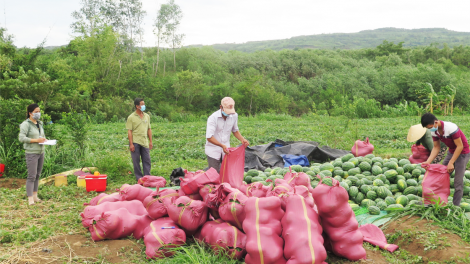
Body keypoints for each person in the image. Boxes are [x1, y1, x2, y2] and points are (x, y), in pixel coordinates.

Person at [421, 113, 470, 206]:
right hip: (451, 152)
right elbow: (436, 147)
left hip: (463, 153)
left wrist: (451, 162)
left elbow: (460, 146)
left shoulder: (450, 128)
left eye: (430, 127)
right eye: (428, 128)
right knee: (441, 176)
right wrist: (428, 161)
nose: (430, 129)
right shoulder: (434, 131)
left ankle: (456, 207)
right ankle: (437, 202)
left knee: (458, 182)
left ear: (436, 122)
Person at [205, 97, 249, 173]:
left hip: (226, 149)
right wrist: (221, 145)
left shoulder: (234, 115)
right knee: (214, 174)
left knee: (226, 172)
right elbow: (209, 137)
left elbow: (235, 130)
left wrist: (242, 139)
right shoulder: (213, 118)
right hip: (213, 150)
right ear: (221, 107)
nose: (229, 114)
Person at [18, 103, 47, 205]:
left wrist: (43, 139)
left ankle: (35, 196)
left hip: (40, 152)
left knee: (38, 175)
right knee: (31, 176)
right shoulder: (25, 124)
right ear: (30, 113)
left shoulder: (40, 123)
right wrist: (36, 140)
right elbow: (21, 138)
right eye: (36, 112)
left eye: (39, 111)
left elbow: (41, 136)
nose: (38, 114)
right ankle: (30, 198)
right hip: (31, 153)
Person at [126, 98, 153, 181]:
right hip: (135, 142)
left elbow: (149, 129)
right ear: (137, 106)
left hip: (144, 142)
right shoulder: (131, 117)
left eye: (144, 104)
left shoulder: (147, 116)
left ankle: (147, 177)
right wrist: (131, 144)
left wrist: (151, 141)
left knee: (147, 161)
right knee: (136, 162)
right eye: (142, 104)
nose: (143, 106)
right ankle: (139, 178)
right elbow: (129, 131)